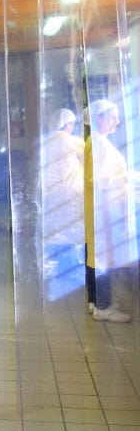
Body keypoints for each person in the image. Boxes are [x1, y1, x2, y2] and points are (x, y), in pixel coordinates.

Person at [84, 98, 135, 323]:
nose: (116, 121)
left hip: (105, 208)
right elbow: (96, 179)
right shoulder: (98, 144)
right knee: (102, 257)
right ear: (99, 118)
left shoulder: (99, 141)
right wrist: (125, 179)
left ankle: (97, 303)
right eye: (111, 117)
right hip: (104, 209)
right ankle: (103, 307)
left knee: (99, 256)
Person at [39, 108, 85, 301]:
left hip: (52, 195)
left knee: (54, 232)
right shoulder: (72, 141)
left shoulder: (46, 141)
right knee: (72, 232)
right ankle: (72, 270)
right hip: (71, 195)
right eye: (72, 124)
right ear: (67, 125)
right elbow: (90, 158)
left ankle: (54, 269)